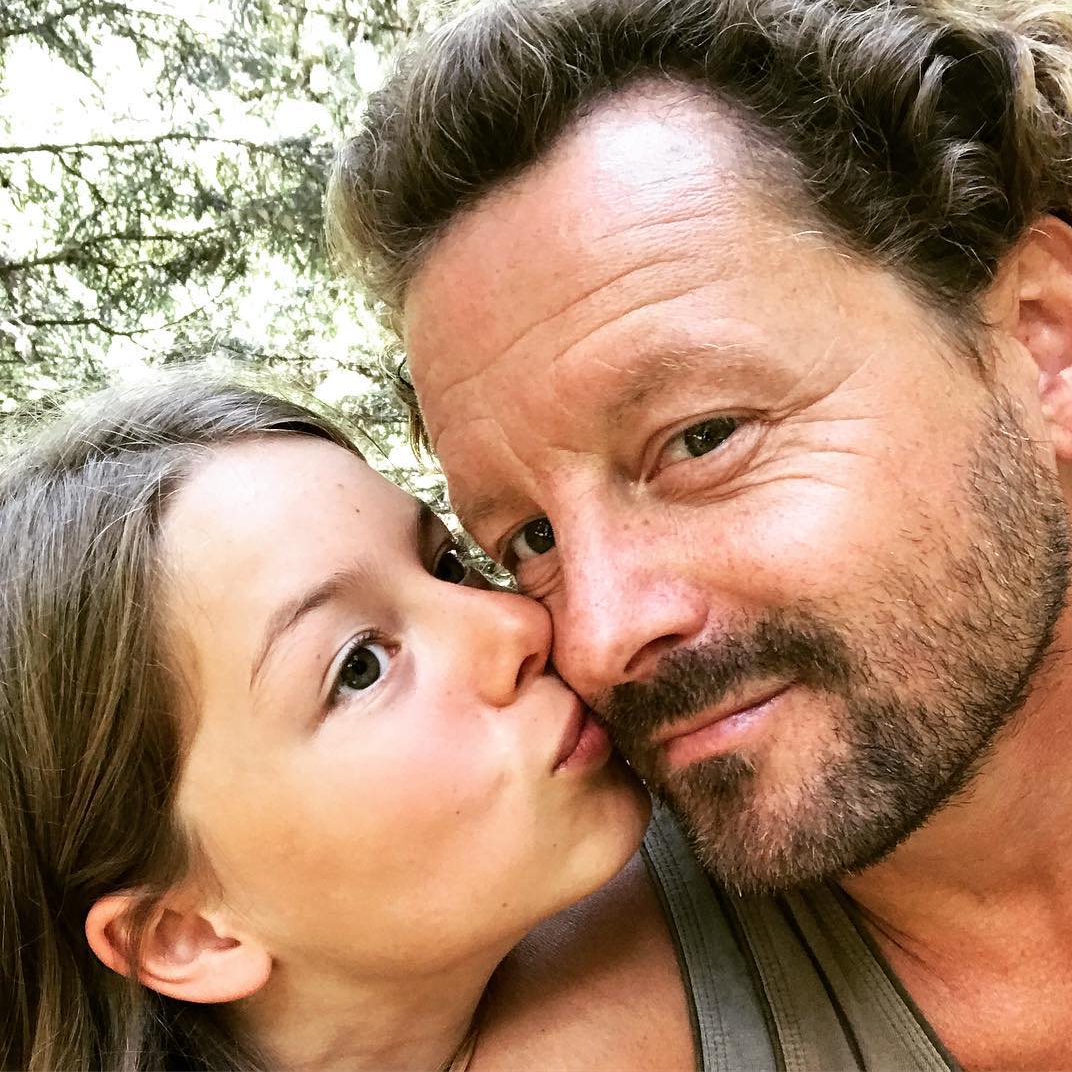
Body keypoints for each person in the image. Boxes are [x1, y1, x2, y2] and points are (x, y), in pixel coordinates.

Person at [328, 0, 1072, 1068]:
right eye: (531, 538)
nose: (599, 637)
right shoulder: (594, 1032)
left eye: (702, 437)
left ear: (1043, 345)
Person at [0, 369, 668, 1072]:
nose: (518, 622)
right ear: (185, 933)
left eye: (447, 565)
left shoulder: (722, 831)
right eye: (359, 668)